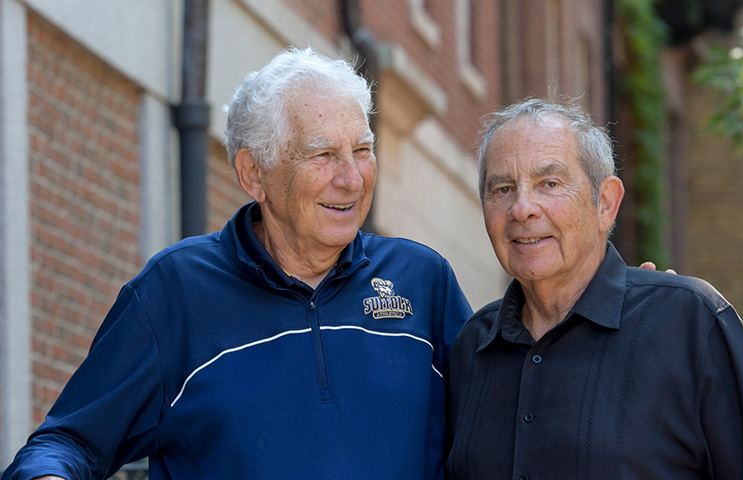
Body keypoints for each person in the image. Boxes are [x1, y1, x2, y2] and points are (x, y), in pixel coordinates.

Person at [2, 47, 473, 480]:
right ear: (254, 173)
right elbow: (68, 441)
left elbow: (501, 430)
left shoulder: (423, 281)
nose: (352, 179)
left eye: (363, 150)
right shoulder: (175, 291)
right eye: (323, 154)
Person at [445, 98, 743, 479]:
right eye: (503, 189)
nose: (522, 208)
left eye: (550, 184)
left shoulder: (688, 321)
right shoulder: (472, 349)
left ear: (606, 203)